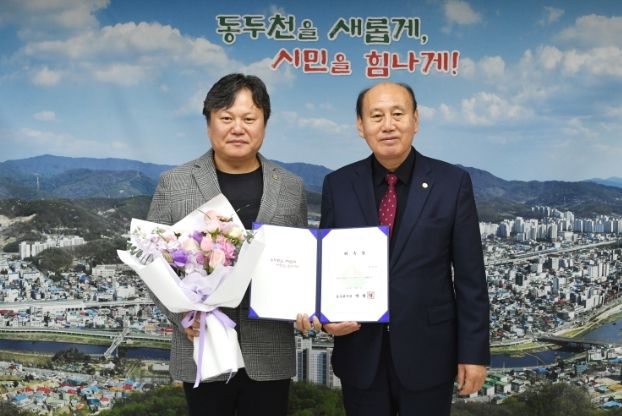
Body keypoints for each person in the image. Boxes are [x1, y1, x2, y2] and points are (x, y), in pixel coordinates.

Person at [320, 81, 490, 416]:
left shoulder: (451, 183)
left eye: (397, 114)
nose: (388, 125)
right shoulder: (338, 185)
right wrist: (326, 317)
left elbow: (471, 277)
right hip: (360, 352)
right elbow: (326, 266)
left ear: (416, 120)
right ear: (360, 126)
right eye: (376, 116)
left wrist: (473, 353)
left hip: (429, 352)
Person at [147, 73, 308, 416]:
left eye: (249, 118)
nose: (238, 128)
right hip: (201, 346)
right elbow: (151, 260)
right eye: (226, 118)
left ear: (264, 123)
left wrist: (307, 306)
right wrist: (183, 317)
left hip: (269, 351)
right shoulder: (174, 183)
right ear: (209, 123)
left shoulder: (291, 187)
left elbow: (302, 262)